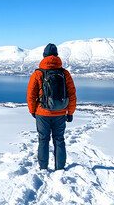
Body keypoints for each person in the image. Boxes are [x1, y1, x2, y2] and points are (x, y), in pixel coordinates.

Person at [27, 43, 77, 171]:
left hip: (42, 113)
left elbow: (31, 94)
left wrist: (33, 110)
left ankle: (43, 168)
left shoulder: (38, 73)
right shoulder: (65, 73)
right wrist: (70, 113)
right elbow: (72, 94)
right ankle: (60, 168)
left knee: (43, 140)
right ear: (57, 56)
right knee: (59, 140)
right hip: (60, 112)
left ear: (44, 56)